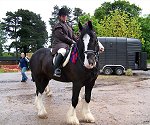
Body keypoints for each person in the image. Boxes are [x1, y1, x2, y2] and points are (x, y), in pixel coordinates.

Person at [52, 7, 77, 77]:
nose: (65, 17)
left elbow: (73, 36)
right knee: (63, 51)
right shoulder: (58, 25)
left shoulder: (69, 25)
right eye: (63, 16)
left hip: (68, 44)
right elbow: (62, 36)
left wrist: (78, 41)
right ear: (60, 17)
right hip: (59, 44)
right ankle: (57, 69)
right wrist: (72, 41)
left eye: (65, 16)